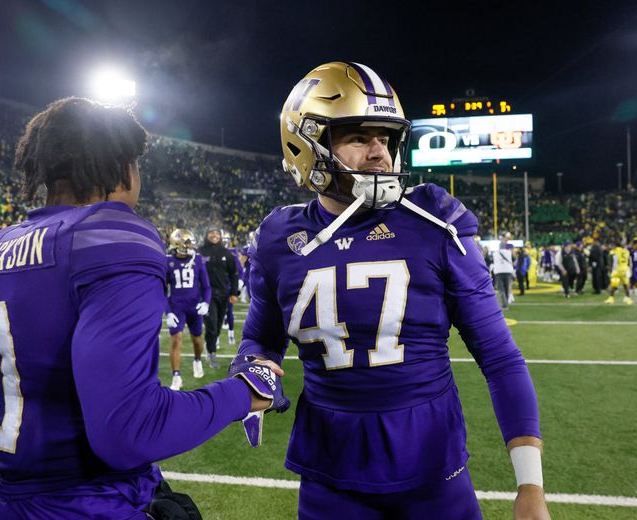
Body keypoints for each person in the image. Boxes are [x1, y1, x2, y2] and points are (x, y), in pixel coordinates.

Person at [236, 62, 549, 519]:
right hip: (330, 473)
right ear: (307, 144)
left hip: (432, 469)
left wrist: (530, 486)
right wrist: (251, 367)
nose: (379, 153)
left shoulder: (436, 221)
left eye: (387, 138)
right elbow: (261, 339)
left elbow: (500, 357)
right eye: (359, 137)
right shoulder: (279, 238)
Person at [0, 97, 285, 519]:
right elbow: (130, 427)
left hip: (7, 500)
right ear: (122, 168)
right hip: (88, 503)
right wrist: (246, 392)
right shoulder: (110, 235)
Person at [166, 228, 211, 389]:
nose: (191, 245)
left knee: (197, 340)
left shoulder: (197, 260)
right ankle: (176, 376)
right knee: (176, 339)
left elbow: (206, 286)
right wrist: (168, 312)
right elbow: (163, 290)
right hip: (177, 307)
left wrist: (206, 302)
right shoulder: (168, 262)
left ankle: (197, 360)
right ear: (177, 243)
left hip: (194, 307)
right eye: (187, 242)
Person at [199, 226, 240, 369]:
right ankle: (211, 353)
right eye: (211, 232)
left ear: (220, 236)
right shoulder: (199, 252)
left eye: (217, 233)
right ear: (207, 235)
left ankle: (209, 345)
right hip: (206, 295)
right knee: (211, 325)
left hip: (223, 295)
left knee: (217, 327)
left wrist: (234, 293)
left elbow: (234, 274)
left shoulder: (227, 253)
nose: (214, 235)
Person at [604, 238, 632, 304]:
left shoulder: (614, 251)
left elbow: (610, 260)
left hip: (617, 270)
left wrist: (609, 268)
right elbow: (629, 261)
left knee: (614, 284)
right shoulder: (626, 251)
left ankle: (611, 298)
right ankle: (628, 298)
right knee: (626, 285)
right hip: (625, 269)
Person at [491, 234, 515, 308]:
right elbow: (513, 260)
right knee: (507, 288)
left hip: (499, 272)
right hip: (508, 272)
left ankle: (505, 305)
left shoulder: (495, 253)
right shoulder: (509, 252)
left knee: (501, 290)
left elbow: (492, 261)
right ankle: (506, 303)